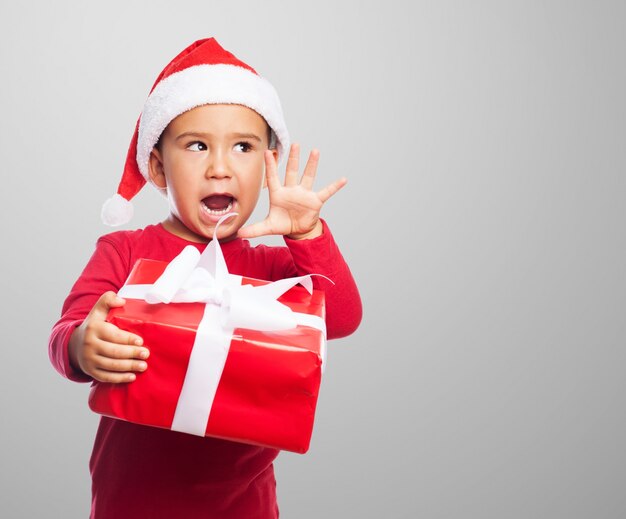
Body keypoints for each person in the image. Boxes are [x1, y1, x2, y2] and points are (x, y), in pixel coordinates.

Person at [48, 38, 362, 518]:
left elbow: (340, 318)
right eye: (197, 146)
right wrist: (80, 345)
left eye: (243, 147)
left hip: (245, 506)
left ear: (267, 165)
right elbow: (67, 330)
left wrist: (308, 235)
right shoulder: (125, 251)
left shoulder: (275, 270)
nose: (220, 167)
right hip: (130, 502)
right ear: (157, 167)